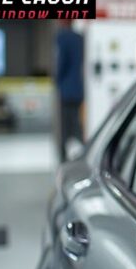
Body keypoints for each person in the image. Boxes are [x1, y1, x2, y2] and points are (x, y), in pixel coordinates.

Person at [55, 19, 84, 162]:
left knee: (65, 128)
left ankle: (64, 161)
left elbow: (61, 63)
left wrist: (57, 80)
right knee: (77, 124)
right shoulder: (80, 38)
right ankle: (81, 155)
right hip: (78, 88)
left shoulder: (62, 37)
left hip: (66, 89)